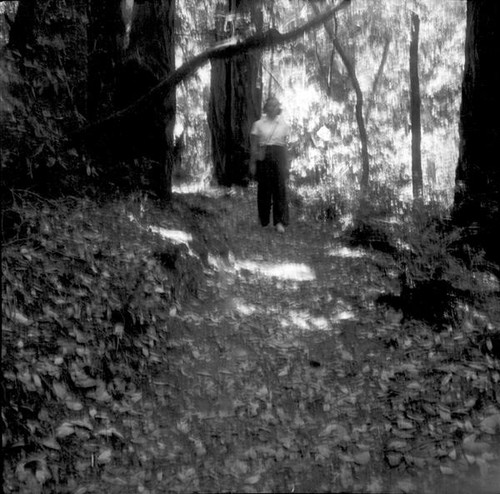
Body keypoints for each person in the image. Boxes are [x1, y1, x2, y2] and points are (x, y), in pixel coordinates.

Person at [249, 96, 290, 233]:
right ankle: (264, 220)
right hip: (264, 156)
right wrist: (253, 163)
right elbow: (254, 146)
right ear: (266, 108)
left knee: (279, 188)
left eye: (275, 105)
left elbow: (286, 146)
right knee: (264, 188)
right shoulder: (258, 124)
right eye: (270, 105)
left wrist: (287, 164)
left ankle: (279, 222)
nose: (273, 108)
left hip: (279, 157)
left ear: (279, 108)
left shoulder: (284, 125)